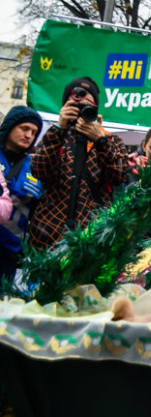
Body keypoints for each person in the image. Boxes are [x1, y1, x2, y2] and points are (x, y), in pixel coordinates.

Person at [28, 77, 131, 250]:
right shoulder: (55, 136)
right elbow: (39, 169)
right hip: (48, 237)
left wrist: (101, 141)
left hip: (91, 240)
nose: (80, 109)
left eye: (86, 106)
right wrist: (59, 128)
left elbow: (119, 174)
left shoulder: (110, 140)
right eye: (75, 105)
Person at [0, 106, 43, 279]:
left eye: (33, 132)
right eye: (24, 128)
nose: (29, 136)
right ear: (10, 127)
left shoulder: (35, 167)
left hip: (10, 253)